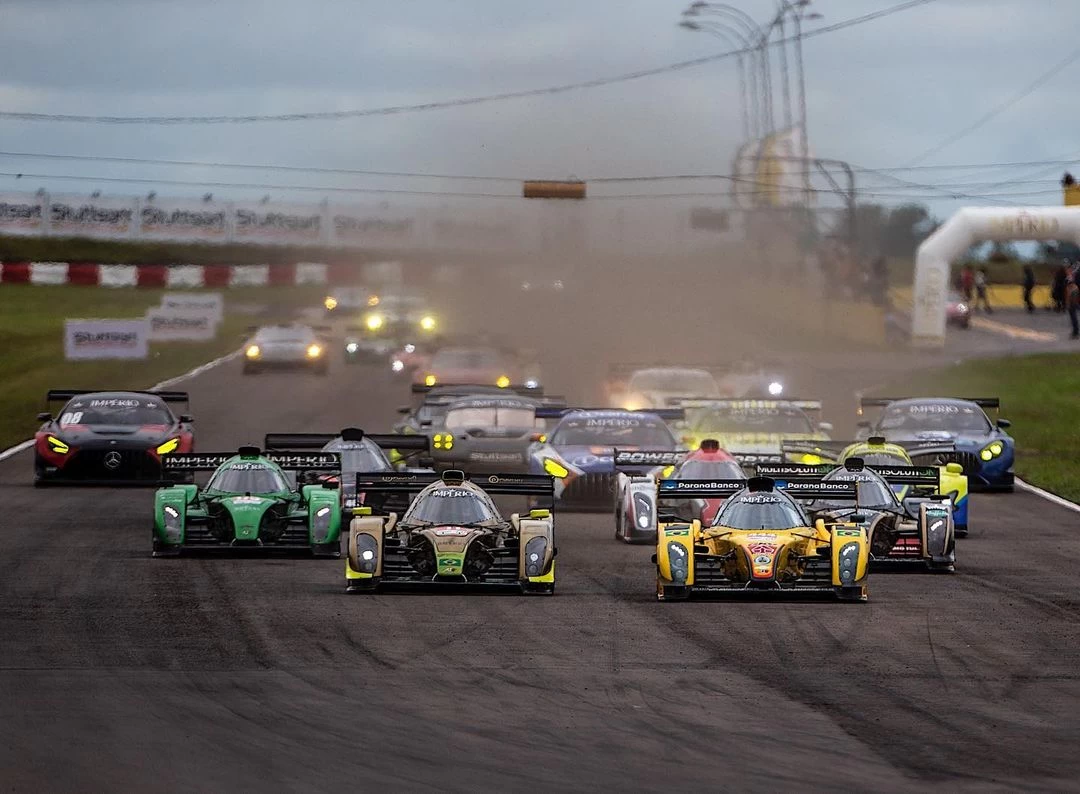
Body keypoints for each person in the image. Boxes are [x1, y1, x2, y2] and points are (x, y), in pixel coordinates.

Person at [1068, 264, 1080, 339]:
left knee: (1072, 311)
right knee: (1072, 311)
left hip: (1076, 295)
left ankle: (1075, 332)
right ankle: (1075, 331)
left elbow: (1073, 283)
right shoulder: (1076, 270)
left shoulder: (1077, 271)